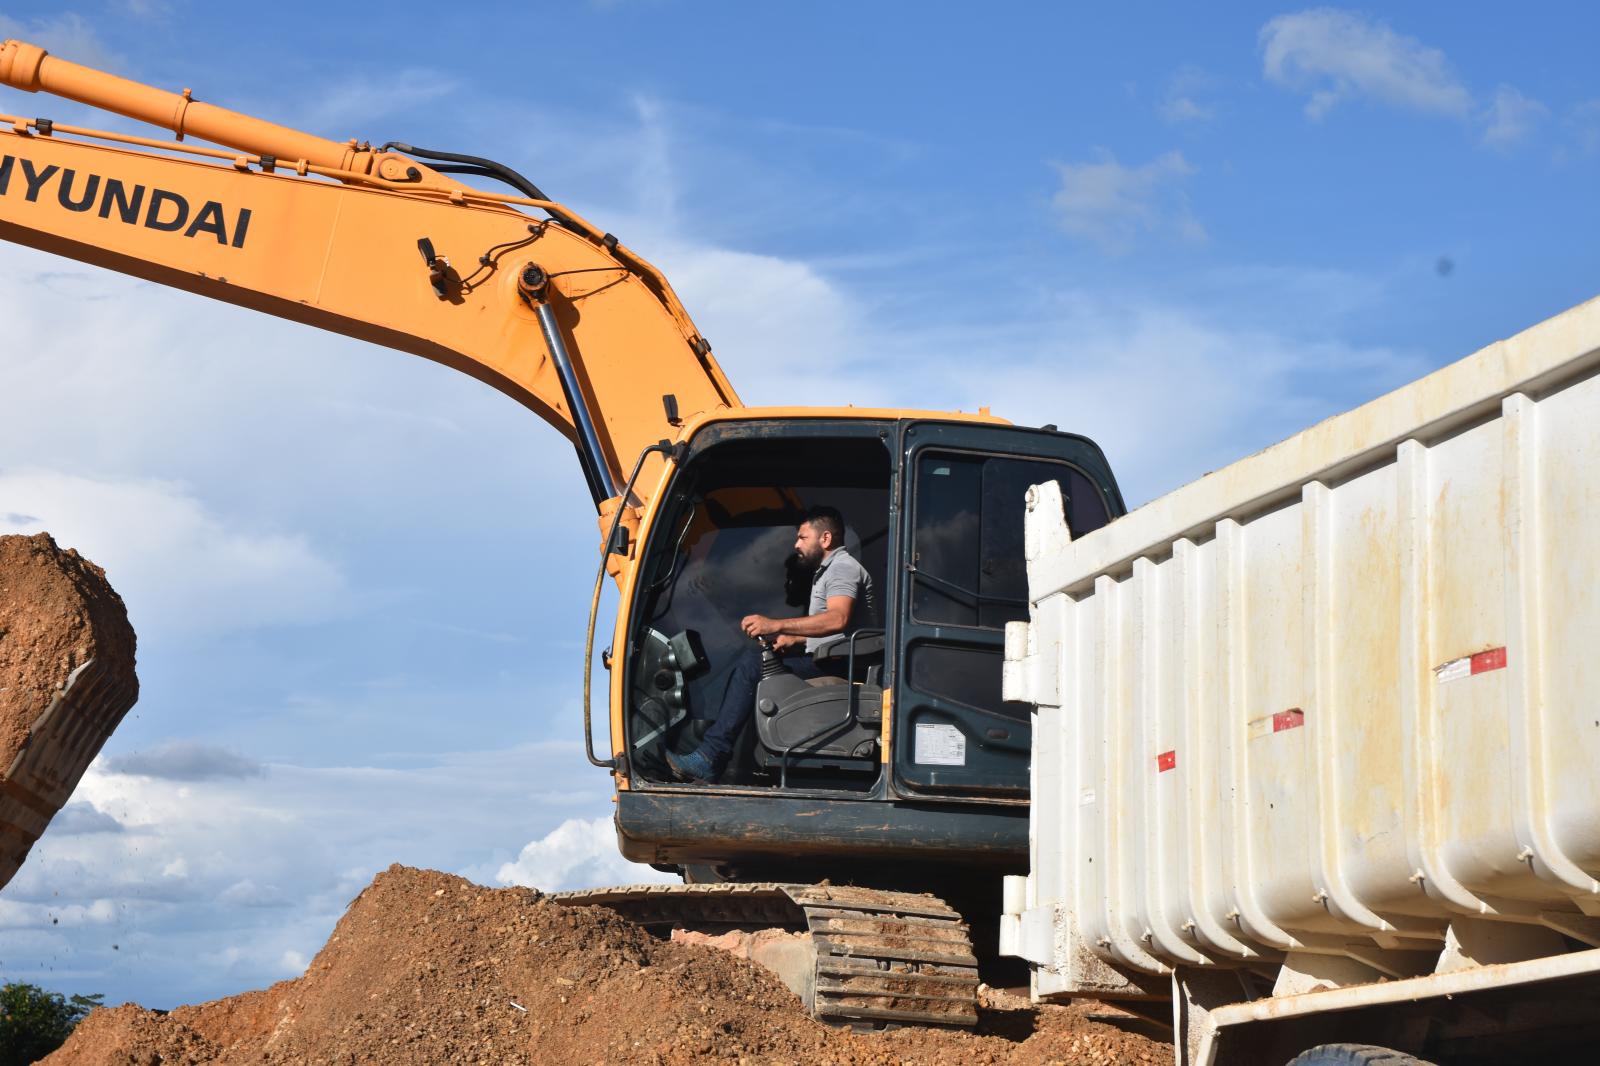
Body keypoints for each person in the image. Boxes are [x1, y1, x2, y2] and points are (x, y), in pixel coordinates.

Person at [667, 505, 874, 782]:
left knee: (753, 665)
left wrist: (776, 624)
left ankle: (711, 756)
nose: (796, 544)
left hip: (842, 666)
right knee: (758, 662)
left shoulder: (842, 568)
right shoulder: (829, 570)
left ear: (825, 539)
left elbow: (838, 619)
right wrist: (795, 639)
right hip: (832, 659)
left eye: (802, 537)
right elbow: (839, 629)